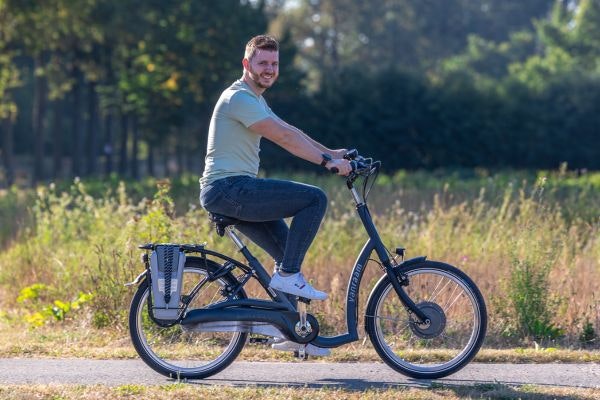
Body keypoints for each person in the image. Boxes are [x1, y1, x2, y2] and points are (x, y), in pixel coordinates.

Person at [199, 35, 352, 356]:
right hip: (228, 188)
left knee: (286, 252)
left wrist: (332, 152)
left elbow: (291, 129)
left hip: (230, 190)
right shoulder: (238, 97)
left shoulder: (254, 99)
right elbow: (282, 137)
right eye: (262, 63)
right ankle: (287, 277)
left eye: (274, 64)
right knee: (314, 199)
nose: (269, 69)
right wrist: (327, 163)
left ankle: (293, 335)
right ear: (247, 65)